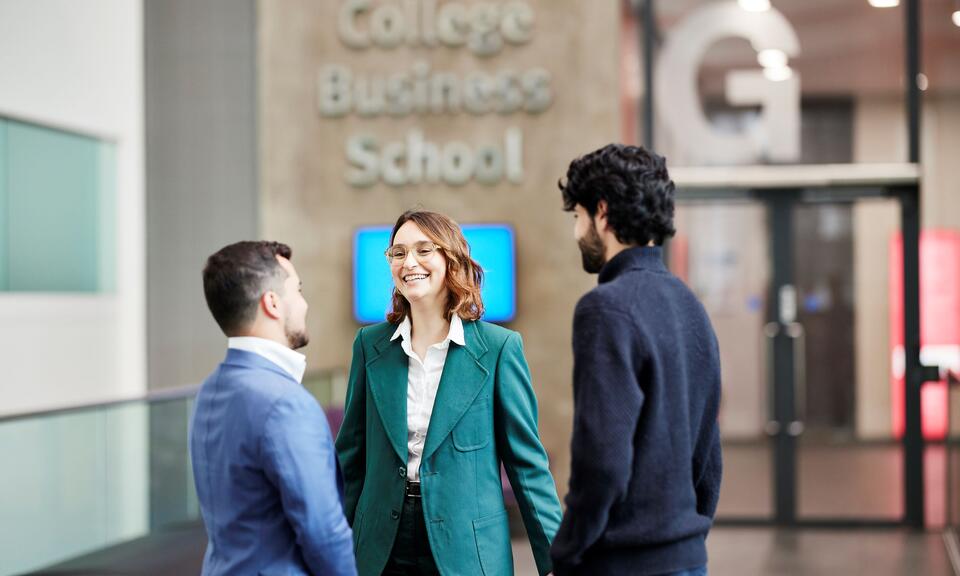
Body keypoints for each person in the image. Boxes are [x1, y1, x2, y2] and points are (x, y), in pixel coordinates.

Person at [336, 210, 562, 575]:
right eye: (398, 253)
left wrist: (556, 559)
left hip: (467, 548)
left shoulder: (499, 348)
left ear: (451, 260)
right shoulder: (369, 345)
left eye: (424, 250)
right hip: (380, 544)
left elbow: (528, 466)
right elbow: (350, 459)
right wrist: (330, 550)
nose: (409, 263)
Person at [549, 145, 723, 576]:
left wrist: (566, 553)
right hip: (686, 559)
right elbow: (708, 457)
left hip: (622, 564)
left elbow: (601, 462)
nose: (576, 233)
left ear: (602, 213)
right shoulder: (690, 306)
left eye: (578, 217)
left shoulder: (605, 308)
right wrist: (683, 537)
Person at [191, 241, 356, 576]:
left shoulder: (210, 389)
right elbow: (324, 534)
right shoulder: (286, 403)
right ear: (272, 304)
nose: (305, 303)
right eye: (297, 289)